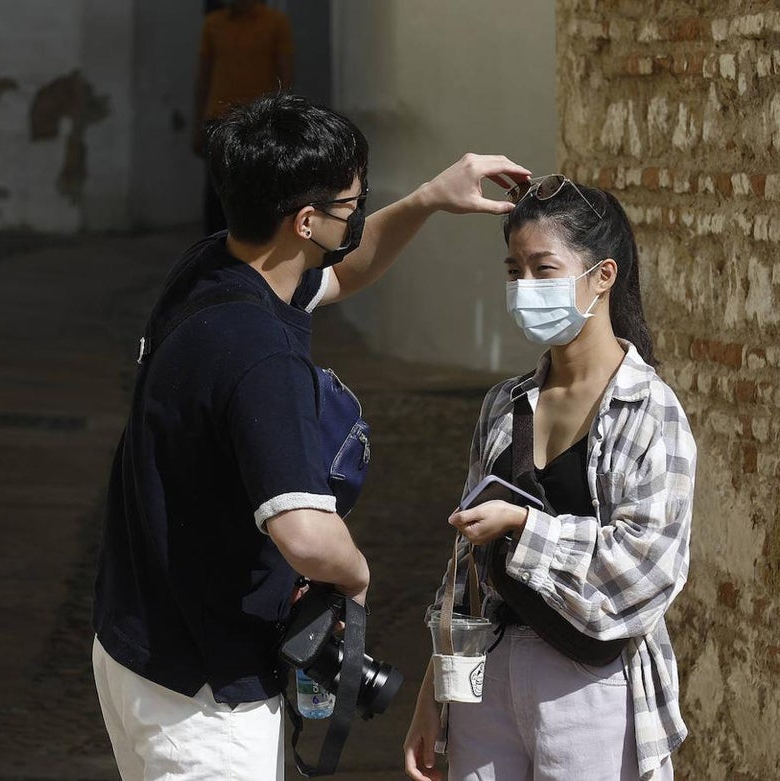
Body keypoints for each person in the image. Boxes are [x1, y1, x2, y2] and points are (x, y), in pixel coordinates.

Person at [92, 92, 529, 781]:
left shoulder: (212, 269)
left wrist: (427, 200)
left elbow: (343, 272)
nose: (356, 214)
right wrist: (356, 576)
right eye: (351, 203)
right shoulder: (262, 357)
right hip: (208, 701)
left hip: (137, 647)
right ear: (305, 221)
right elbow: (305, 535)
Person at [403, 176, 696, 781]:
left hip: (590, 685)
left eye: (544, 269)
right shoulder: (504, 404)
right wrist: (436, 689)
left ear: (603, 276)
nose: (525, 288)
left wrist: (524, 525)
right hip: (487, 679)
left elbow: (649, 567)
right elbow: (466, 566)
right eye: (514, 271)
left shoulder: (649, 410)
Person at [193, 0, 294, 233]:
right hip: (219, 119)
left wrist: (282, 120)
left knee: (259, 188)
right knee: (217, 193)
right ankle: (216, 247)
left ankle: (255, 245)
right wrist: (198, 125)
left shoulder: (276, 22)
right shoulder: (213, 24)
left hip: (260, 120)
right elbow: (203, 78)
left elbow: (286, 75)